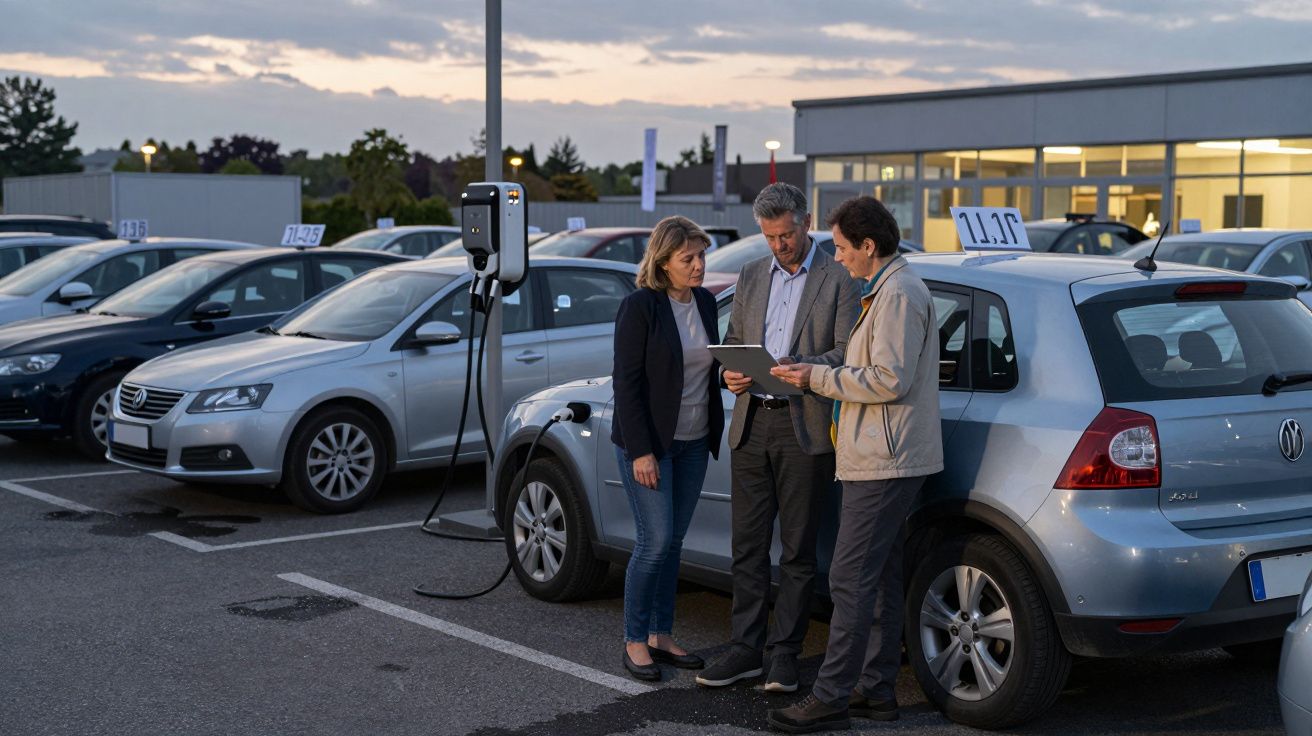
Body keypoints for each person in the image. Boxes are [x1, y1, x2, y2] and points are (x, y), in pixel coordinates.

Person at [766, 196, 943, 733]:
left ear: (869, 246)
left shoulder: (899, 294)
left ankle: (831, 696)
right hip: (881, 455)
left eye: (842, 248)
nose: (837, 258)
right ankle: (874, 689)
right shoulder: (887, 289)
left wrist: (813, 379)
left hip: (887, 458)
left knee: (848, 577)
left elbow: (888, 379)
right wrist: (811, 368)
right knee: (879, 575)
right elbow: (866, 363)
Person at [696, 183, 860, 693]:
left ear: (805, 223)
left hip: (804, 424)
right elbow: (739, 342)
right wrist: (732, 375)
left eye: (786, 235)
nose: (779, 246)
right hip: (750, 421)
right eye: (769, 237)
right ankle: (745, 648)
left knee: (797, 551)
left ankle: (785, 653)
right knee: (746, 546)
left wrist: (802, 369)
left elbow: (847, 353)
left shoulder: (838, 278)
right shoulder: (750, 275)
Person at [611, 215, 724, 681]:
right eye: (688, 258)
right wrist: (641, 452)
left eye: (701, 256)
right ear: (663, 262)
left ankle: (661, 634)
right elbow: (627, 383)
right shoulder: (641, 307)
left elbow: (707, 366)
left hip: (696, 442)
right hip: (651, 445)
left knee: (674, 541)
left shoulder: (706, 302)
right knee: (653, 542)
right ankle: (635, 641)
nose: (698, 266)